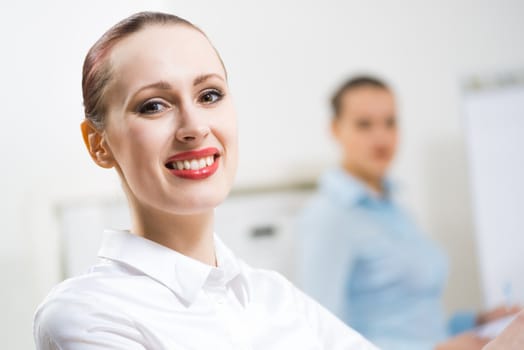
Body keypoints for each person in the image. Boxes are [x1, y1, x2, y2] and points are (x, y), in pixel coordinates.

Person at [32, 12, 378, 350]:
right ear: (98, 144)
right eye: (153, 105)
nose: (195, 127)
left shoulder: (276, 296)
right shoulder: (88, 314)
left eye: (209, 95)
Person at [296, 76, 520, 349]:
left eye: (390, 122)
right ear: (335, 129)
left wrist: (473, 321)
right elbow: (320, 337)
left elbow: (412, 321)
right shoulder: (329, 216)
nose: (381, 137)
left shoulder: (395, 207)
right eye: (364, 124)